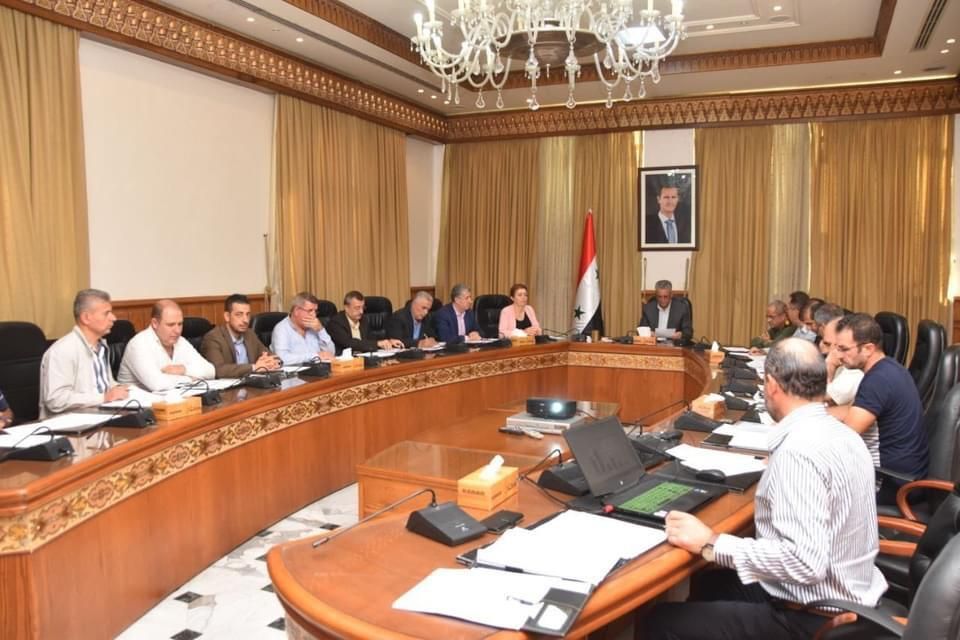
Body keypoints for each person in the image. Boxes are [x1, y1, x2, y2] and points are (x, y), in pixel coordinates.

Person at [643, 338, 886, 640]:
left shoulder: (798, 452)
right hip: (852, 598)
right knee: (708, 584)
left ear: (771, 385)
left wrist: (711, 541)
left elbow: (805, 563)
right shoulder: (843, 433)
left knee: (661, 621)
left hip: (814, 616)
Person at [830, 313, 928, 505]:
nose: (839, 356)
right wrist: (814, 414)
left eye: (844, 349)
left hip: (891, 483)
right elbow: (854, 409)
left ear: (868, 348)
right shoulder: (889, 368)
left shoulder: (878, 380)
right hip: (906, 474)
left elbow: (845, 436)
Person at [39, 289, 129, 418]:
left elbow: (105, 385)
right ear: (86, 318)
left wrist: (123, 389)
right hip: (70, 424)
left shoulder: (101, 346)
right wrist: (103, 397)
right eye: (106, 313)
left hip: (102, 415)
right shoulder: (62, 350)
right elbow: (56, 400)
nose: (113, 318)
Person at [118, 300, 216, 391]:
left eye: (180, 324)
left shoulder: (180, 341)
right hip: (137, 402)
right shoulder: (138, 344)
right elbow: (158, 385)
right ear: (155, 323)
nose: (177, 331)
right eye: (171, 325)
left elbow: (211, 371)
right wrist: (191, 379)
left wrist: (183, 369)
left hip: (175, 398)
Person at [200, 294, 281, 378]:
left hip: (252, 383)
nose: (245, 320)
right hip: (229, 386)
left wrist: (272, 362)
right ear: (227, 316)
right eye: (239, 314)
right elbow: (218, 370)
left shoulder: (250, 334)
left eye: (247, 314)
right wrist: (254, 367)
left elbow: (273, 357)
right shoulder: (213, 338)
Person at [326, 291, 404, 354]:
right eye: (357, 308)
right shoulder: (336, 322)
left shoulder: (363, 319)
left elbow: (371, 338)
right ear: (346, 308)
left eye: (363, 307)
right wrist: (377, 343)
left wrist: (389, 341)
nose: (361, 311)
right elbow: (349, 343)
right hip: (345, 362)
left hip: (364, 358)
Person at [270, 292, 336, 364]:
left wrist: (321, 330)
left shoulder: (315, 327)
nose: (314, 315)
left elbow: (331, 353)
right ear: (296, 311)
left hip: (319, 368)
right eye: (310, 311)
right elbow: (282, 358)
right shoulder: (281, 329)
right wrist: (314, 356)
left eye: (315, 311)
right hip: (295, 370)